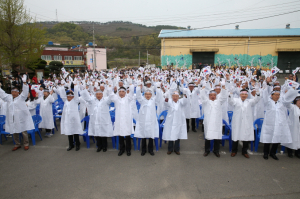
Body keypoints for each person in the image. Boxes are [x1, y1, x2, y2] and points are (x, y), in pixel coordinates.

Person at [260, 82, 298, 160]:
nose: (277, 96)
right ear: (271, 95)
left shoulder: (282, 103)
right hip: (269, 124)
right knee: (267, 138)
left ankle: (273, 153)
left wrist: (293, 88)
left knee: (277, 139)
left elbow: (288, 98)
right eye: (276, 95)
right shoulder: (268, 102)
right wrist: (266, 84)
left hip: (279, 124)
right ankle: (266, 153)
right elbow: (264, 95)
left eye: (278, 95)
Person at [0, 82, 34, 151]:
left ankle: (26, 144)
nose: (14, 93)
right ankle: (17, 144)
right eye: (12, 91)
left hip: (21, 118)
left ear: (18, 92)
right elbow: (2, 94)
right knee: (14, 131)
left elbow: (25, 92)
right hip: (12, 118)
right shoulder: (9, 98)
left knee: (23, 131)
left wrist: (24, 84)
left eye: (15, 92)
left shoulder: (21, 97)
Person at [229, 88, 261, 158]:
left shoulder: (249, 101)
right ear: (240, 94)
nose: (244, 95)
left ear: (247, 95)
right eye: (242, 94)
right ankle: (234, 151)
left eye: (245, 94)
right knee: (236, 136)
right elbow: (230, 101)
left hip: (246, 122)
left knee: (246, 136)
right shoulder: (236, 100)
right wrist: (230, 93)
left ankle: (244, 151)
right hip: (237, 121)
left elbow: (257, 99)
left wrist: (258, 92)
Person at [80, 88, 113, 152]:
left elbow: (110, 97)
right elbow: (87, 98)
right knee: (97, 134)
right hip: (95, 120)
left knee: (104, 134)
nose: (98, 95)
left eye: (100, 94)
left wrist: (110, 89)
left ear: (102, 95)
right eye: (97, 94)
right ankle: (99, 146)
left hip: (103, 120)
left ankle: (104, 146)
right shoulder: (92, 100)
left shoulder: (106, 100)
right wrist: (84, 89)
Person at [201, 85, 227, 157]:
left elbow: (224, 97)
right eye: (211, 95)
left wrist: (224, 89)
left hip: (216, 123)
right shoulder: (206, 102)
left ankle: (216, 151)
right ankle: (207, 150)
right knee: (208, 137)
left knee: (216, 137)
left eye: (214, 95)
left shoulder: (219, 101)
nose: (212, 96)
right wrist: (203, 90)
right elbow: (202, 96)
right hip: (208, 122)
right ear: (209, 96)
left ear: (216, 96)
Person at [134, 87, 162, 156]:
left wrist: (158, 89)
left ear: (151, 95)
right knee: (143, 135)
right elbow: (138, 96)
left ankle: (150, 150)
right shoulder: (142, 100)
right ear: (144, 95)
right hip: (143, 121)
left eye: (149, 94)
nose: (148, 95)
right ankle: (143, 150)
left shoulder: (153, 100)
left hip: (151, 121)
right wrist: (138, 88)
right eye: (146, 94)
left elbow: (158, 97)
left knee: (151, 136)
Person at [54, 85, 82, 151]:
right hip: (68, 119)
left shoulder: (75, 101)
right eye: (68, 96)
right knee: (69, 132)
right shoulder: (65, 101)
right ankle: (71, 145)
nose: (69, 97)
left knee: (75, 132)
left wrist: (75, 87)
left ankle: (77, 144)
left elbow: (76, 95)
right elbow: (62, 94)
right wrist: (62, 86)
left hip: (74, 120)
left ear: (73, 96)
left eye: (71, 96)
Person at [109, 85, 135, 156]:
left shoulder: (128, 98)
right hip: (119, 120)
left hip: (127, 120)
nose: (121, 93)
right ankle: (121, 149)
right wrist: (110, 85)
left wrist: (130, 84)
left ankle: (128, 149)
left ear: (125, 92)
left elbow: (132, 92)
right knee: (120, 136)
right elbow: (111, 94)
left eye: (123, 91)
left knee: (127, 135)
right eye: (120, 91)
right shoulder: (116, 99)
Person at [163, 90, 188, 155]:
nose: (175, 97)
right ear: (172, 97)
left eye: (176, 96)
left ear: (178, 97)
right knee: (170, 135)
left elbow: (185, 101)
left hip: (178, 121)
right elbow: (166, 103)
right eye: (173, 96)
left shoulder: (180, 102)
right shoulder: (170, 102)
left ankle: (177, 149)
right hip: (170, 121)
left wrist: (185, 95)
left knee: (177, 135)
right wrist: (166, 98)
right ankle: (170, 149)